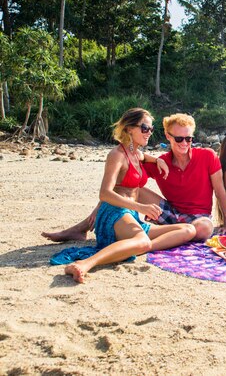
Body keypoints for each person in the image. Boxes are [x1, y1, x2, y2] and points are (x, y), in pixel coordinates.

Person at [42, 113, 226, 242]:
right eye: (179, 139)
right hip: (169, 212)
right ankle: (82, 227)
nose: (185, 143)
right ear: (168, 136)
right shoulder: (161, 162)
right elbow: (125, 183)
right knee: (135, 189)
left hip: (198, 217)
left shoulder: (207, 155)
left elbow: (220, 191)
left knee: (203, 229)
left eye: (189, 139)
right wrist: (97, 210)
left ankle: (160, 233)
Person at [59, 108, 196, 283]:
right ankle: (85, 264)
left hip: (131, 217)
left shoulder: (136, 153)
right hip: (114, 213)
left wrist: (158, 160)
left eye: (151, 129)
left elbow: (142, 156)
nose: (149, 133)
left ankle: (131, 247)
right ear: (130, 128)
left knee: (188, 229)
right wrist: (141, 207)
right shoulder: (116, 155)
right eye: (145, 128)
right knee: (143, 242)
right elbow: (105, 193)